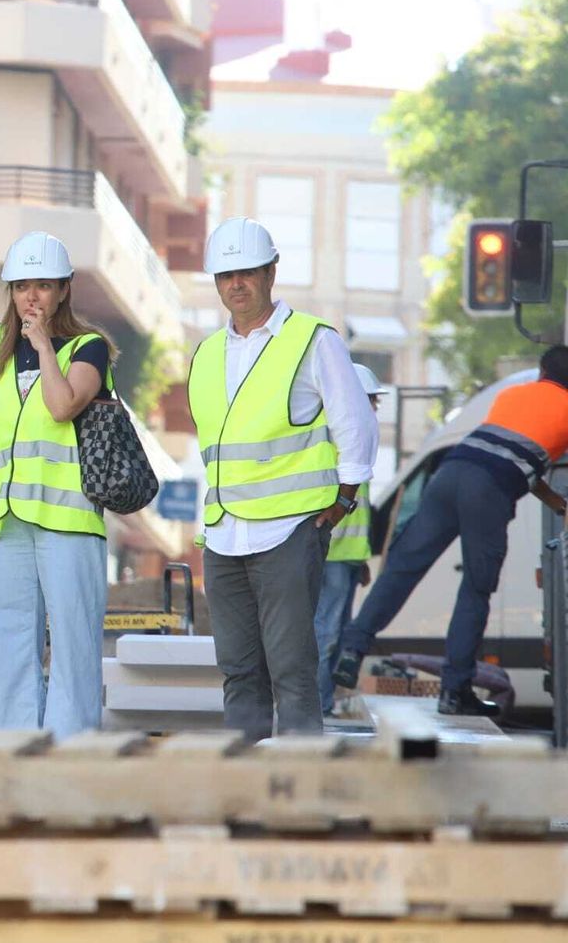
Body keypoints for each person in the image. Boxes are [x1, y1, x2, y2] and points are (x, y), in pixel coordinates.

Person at [188, 217, 378, 741]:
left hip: (289, 531)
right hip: (225, 535)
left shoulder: (313, 340)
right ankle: (248, 789)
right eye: (226, 275)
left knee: (292, 670)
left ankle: (301, 792)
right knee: (239, 672)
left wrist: (345, 496)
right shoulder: (206, 354)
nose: (237, 284)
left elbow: (354, 421)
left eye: (248, 272)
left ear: (272, 271)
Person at [334, 346, 568, 715]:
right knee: (476, 589)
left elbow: (514, 453)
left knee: (401, 569)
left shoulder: (512, 394)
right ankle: (455, 692)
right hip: (488, 490)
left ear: (542, 372)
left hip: (451, 473)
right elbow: (512, 463)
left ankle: (352, 647)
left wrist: (557, 502)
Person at [0, 232, 111, 738]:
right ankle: (16, 750)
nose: (31, 297)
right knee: (8, 643)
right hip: (8, 523)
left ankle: (71, 755)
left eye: (43, 286)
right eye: (22, 286)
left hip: (68, 521)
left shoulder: (87, 347)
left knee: (73, 644)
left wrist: (44, 344)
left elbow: (63, 404)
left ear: (63, 290)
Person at [314, 363, 389, 716]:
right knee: (326, 632)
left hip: (345, 557)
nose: (375, 409)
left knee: (336, 631)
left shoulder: (356, 442)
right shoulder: (336, 440)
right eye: (371, 402)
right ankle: (315, 704)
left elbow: (360, 509)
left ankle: (323, 702)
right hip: (331, 554)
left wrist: (360, 561)